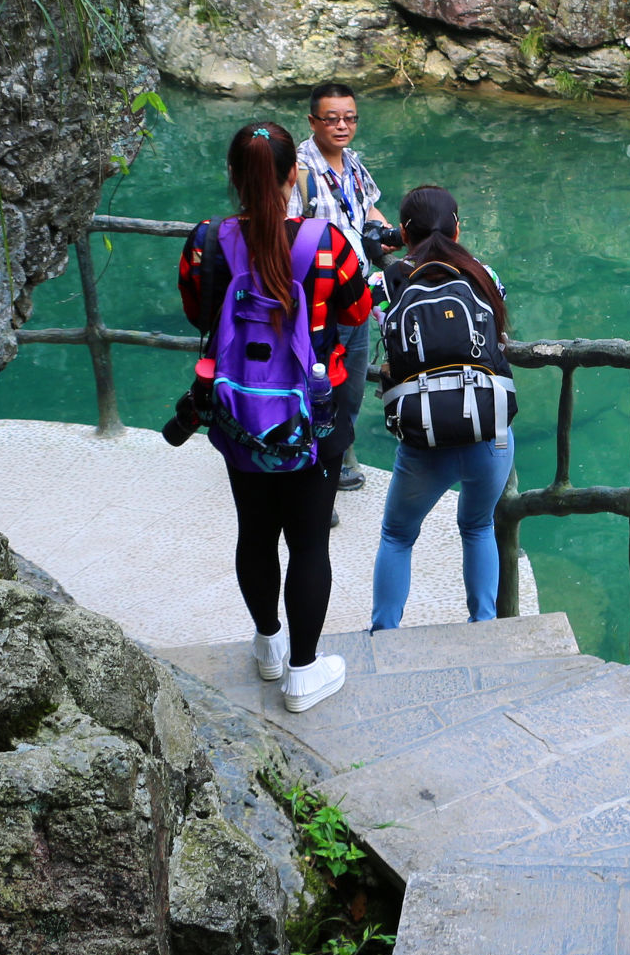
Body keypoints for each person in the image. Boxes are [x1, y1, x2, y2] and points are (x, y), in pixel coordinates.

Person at [179, 120, 374, 713]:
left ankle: (267, 647)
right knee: (310, 542)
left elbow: (197, 313)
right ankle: (303, 674)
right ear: (295, 175)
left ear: (234, 178)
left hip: (237, 410)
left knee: (255, 532)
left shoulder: (206, 243)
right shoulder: (326, 244)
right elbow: (359, 308)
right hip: (316, 412)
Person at [369, 186, 517, 629]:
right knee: (477, 527)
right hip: (487, 428)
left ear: (402, 232)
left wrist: (382, 247)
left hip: (423, 433)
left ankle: (385, 632)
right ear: (457, 227)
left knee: (397, 535)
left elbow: (369, 318)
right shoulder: (484, 274)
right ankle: (484, 624)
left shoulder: (385, 284)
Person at [296, 82, 391, 493]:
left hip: (356, 294)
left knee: (351, 385)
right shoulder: (297, 169)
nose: (341, 126)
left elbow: (368, 207)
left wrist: (393, 236)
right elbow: (288, 230)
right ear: (313, 120)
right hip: (317, 300)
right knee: (317, 383)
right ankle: (312, 465)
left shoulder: (352, 163)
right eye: (332, 118)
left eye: (349, 118)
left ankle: (338, 453)